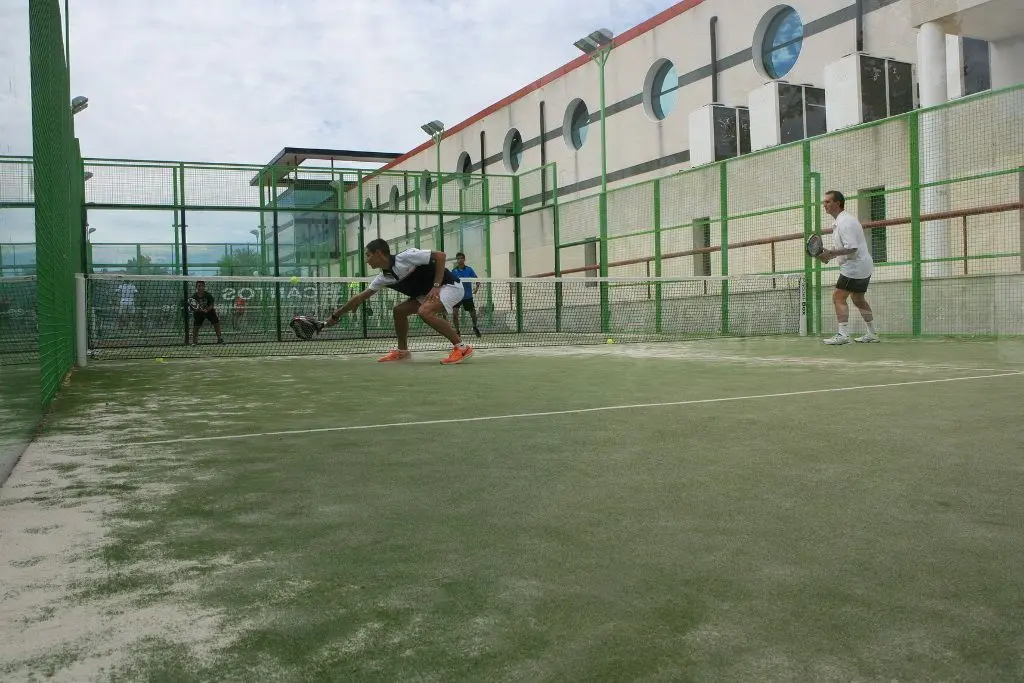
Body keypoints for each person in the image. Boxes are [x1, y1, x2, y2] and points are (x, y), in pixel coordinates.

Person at [323, 239, 473, 364]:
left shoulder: (406, 257)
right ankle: (402, 352)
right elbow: (359, 297)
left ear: (378, 253)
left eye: (368, 255)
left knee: (425, 311)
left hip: (450, 286)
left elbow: (440, 256)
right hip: (426, 294)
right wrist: (336, 315)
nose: (366, 260)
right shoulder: (383, 278)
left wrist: (436, 285)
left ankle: (462, 348)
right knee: (399, 311)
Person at [817, 190, 879, 344]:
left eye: (828, 201)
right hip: (863, 265)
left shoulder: (845, 222)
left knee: (838, 297)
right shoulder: (841, 221)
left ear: (838, 203)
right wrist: (829, 255)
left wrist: (831, 253)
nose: (824, 205)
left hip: (855, 267)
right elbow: (843, 247)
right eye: (824, 202)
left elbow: (852, 248)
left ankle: (843, 335)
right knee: (858, 299)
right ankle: (872, 333)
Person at [450, 252, 482, 338]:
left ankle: (475, 327)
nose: (459, 260)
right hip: (457, 296)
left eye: (461, 258)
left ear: (464, 259)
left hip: (467, 296)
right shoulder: (453, 271)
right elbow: (450, 283)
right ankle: (457, 331)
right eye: (458, 259)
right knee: (455, 314)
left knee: (473, 313)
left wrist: (476, 289)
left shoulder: (469, 270)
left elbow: (477, 280)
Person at [189, 280, 224, 344]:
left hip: (209, 312)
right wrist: (198, 310)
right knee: (196, 327)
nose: (201, 287)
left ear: (204, 287)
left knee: (216, 323)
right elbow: (192, 307)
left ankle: (220, 339)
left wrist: (207, 310)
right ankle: (194, 341)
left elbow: (212, 305)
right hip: (198, 313)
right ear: (196, 287)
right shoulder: (193, 297)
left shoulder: (208, 295)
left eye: (202, 286)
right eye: (199, 286)